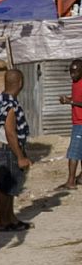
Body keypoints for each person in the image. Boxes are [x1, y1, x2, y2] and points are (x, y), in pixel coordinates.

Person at [0, 69, 32, 231]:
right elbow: (10, 131)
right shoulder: (11, 104)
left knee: (8, 187)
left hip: (0, 147)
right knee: (6, 188)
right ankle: (4, 221)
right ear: (20, 83)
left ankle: (10, 218)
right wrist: (20, 156)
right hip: (8, 149)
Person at [61, 58, 82, 191]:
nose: (72, 74)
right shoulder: (75, 83)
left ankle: (70, 181)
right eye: (70, 72)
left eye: (75, 72)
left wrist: (71, 102)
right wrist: (68, 99)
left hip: (80, 123)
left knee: (73, 153)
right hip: (77, 121)